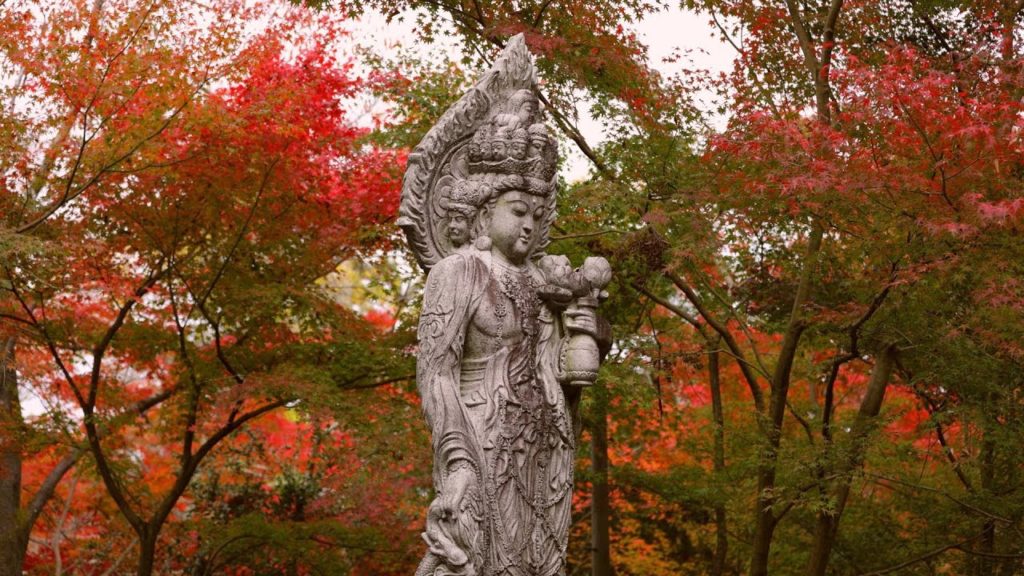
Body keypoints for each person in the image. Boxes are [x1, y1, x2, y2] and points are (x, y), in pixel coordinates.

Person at [416, 120, 596, 576]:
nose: (529, 223)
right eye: (518, 210)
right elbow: (436, 372)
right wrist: (456, 459)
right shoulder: (459, 272)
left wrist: (585, 328)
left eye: (537, 214)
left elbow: (560, 366)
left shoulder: (545, 281)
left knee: (541, 561)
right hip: (483, 436)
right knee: (477, 555)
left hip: (547, 443)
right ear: (482, 211)